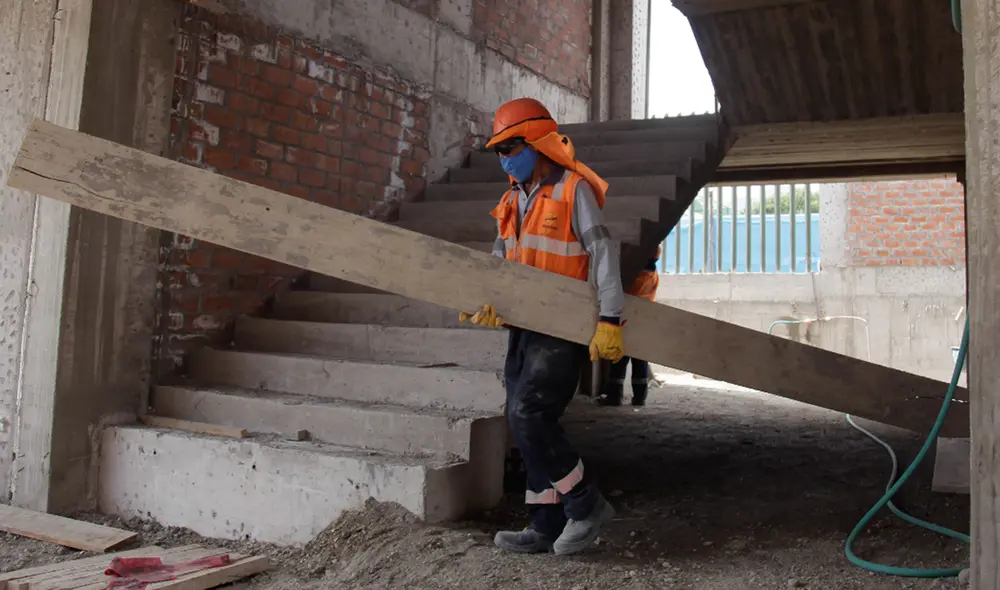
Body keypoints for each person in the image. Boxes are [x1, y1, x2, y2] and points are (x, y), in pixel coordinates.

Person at [459, 97, 624, 556]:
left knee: (530, 413)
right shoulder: (512, 199)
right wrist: (485, 302)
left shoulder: (573, 189)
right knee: (522, 419)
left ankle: (585, 503)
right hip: (524, 326)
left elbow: (603, 252)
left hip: (562, 327)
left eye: (510, 147)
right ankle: (545, 523)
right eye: (498, 150)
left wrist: (610, 318)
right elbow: (500, 262)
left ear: (536, 141)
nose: (503, 158)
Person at [597, 247, 660, 407]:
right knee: (640, 361)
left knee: (618, 360)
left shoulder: (634, 276)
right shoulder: (653, 275)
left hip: (627, 320)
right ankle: (639, 397)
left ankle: (614, 396)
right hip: (644, 321)